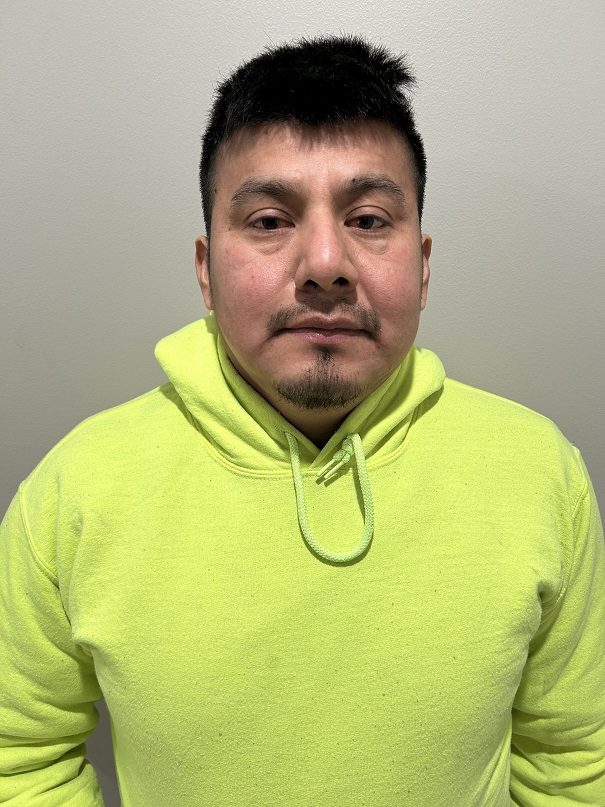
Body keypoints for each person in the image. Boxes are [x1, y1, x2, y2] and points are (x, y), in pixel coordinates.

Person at [0, 34, 604, 807]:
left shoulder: (540, 473)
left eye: (368, 218)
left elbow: (570, 764)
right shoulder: (74, 491)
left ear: (422, 266)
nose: (324, 263)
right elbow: (21, 759)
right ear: (205, 270)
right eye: (267, 220)